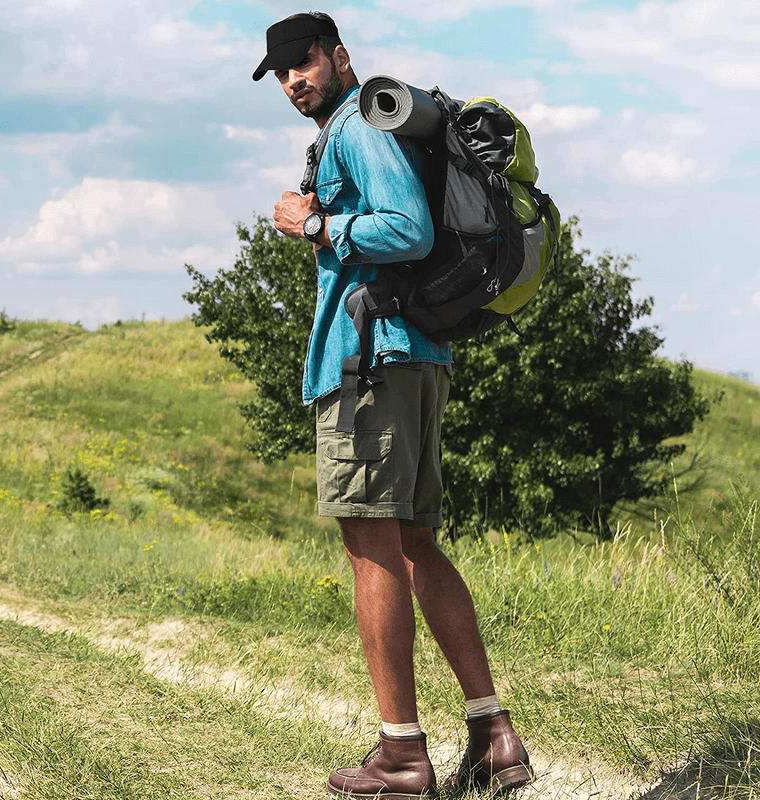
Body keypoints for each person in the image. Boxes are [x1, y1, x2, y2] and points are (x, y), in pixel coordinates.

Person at [253, 12, 534, 798]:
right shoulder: (362, 125)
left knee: (371, 546)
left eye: (303, 64)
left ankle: (402, 754)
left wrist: (314, 222)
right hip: (413, 357)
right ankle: (493, 736)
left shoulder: (354, 129)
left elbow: (406, 226)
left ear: (339, 56)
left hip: (369, 363)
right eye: (281, 74)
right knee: (414, 544)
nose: (293, 83)